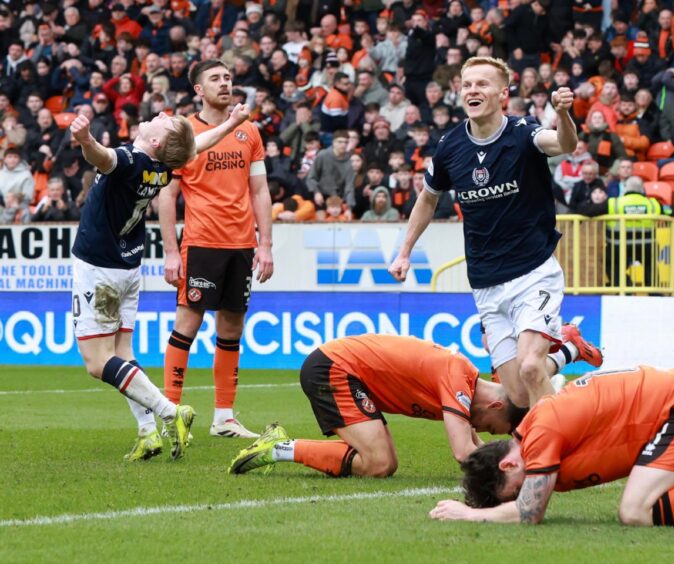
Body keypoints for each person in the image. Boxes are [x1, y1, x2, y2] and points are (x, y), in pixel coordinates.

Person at [389, 56, 602, 411]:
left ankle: (555, 457)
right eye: (467, 84)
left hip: (533, 272)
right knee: (518, 394)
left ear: (503, 93)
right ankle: (569, 349)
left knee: (532, 368)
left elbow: (563, 144)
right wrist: (404, 250)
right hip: (486, 281)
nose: (473, 90)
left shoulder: (523, 133)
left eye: (482, 84)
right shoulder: (450, 147)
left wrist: (563, 115)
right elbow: (428, 199)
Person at [69, 100, 251, 461]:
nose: (158, 116)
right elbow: (199, 145)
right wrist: (231, 124)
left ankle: (171, 412)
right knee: (123, 355)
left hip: (99, 270)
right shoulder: (164, 167)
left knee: (96, 362)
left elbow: (103, 159)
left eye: (162, 122)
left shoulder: (131, 160)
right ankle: (148, 432)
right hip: (127, 270)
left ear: (155, 142)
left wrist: (86, 139)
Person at [429, 365, 674, 529]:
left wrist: (470, 515)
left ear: (508, 468)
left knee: (635, 510)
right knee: (663, 501)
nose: (522, 496)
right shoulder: (538, 429)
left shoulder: (539, 434)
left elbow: (529, 514)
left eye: (511, 494)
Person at [159, 59, 274, 440]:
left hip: (241, 245)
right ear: (198, 89)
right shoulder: (183, 131)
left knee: (231, 329)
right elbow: (168, 193)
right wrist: (171, 251)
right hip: (202, 243)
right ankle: (170, 410)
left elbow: (259, 190)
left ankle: (223, 416)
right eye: (215, 78)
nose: (224, 84)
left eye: (227, 77)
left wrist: (266, 245)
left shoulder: (249, 131)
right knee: (187, 325)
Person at [228, 335, 525, 477]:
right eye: (491, 427)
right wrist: (512, 476)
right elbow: (463, 452)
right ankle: (279, 447)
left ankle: (280, 446)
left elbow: (473, 445)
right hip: (334, 368)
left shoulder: (464, 382)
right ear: (497, 404)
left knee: (384, 463)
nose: (482, 430)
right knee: (379, 463)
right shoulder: (458, 378)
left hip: (348, 372)